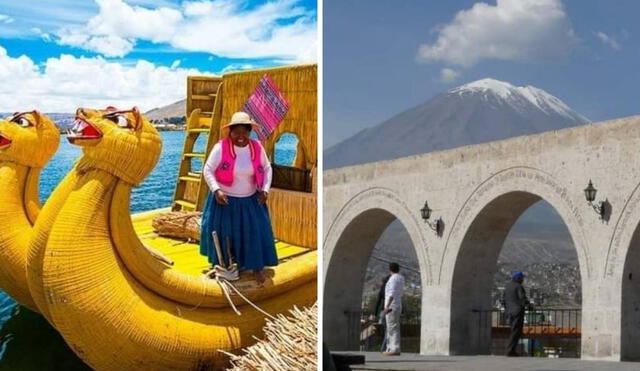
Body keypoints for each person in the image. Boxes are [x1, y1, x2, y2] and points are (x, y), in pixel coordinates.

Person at [200, 111, 277, 284]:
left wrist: (265, 189)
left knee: (254, 233)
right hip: (225, 200)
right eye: (237, 133)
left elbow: (267, 168)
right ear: (230, 132)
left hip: (251, 199)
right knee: (224, 234)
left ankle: (257, 267)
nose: (241, 137)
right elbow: (208, 170)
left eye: (245, 132)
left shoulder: (256, 147)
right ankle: (224, 266)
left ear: (250, 132)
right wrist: (216, 190)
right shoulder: (221, 147)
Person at [502, 271, 530, 357]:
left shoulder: (507, 286)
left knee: (513, 331)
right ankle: (510, 350)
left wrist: (507, 309)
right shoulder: (519, 287)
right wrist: (529, 306)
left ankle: (511, 350)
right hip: (517, 312)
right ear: (518, 278)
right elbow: (522, 299)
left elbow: (503, 300)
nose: (523, 280)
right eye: (522, 278)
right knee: (516, 331)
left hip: (509, 312)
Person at [382, 262, 404, 356]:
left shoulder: (393, 279)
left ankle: (393, 348)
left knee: (391, 328)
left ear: (390, 269)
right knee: (395, 327)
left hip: (392, 306)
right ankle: (393, 347)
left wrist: (387, 306)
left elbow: (392, 293)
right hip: (398, 304)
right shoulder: (401, 278)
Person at [374, 274, 391, 351]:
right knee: (388, 331)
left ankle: (385, 348)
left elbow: (378, 301)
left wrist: (375, 313)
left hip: (382, 311)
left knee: (386, 330)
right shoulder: (389, 290)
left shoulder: (382, 289)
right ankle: (384, 348)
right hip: (388, 310)